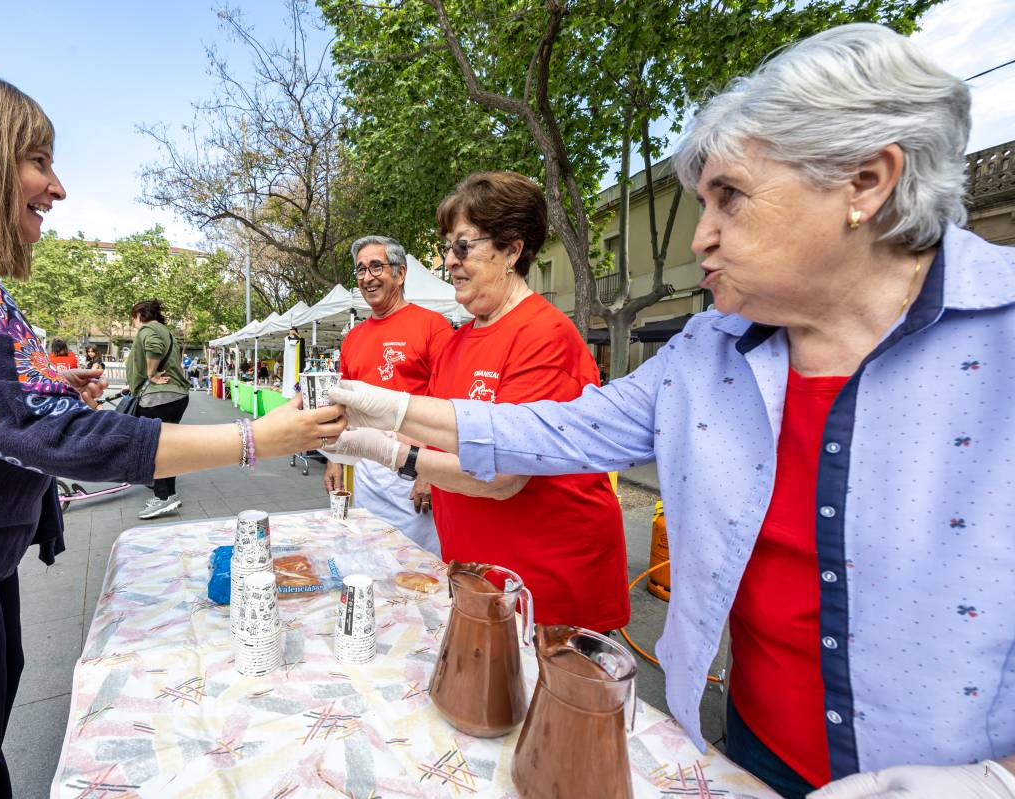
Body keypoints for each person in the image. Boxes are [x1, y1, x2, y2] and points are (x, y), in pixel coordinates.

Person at [327, 25, 1015, 799]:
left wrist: (996, 778)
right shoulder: (708, 346)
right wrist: (385, 413)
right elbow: (558, 429)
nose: (703, 235)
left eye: (731, 197)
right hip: (747, 738)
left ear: (864, 181)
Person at [0, 56, 344, 799]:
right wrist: (262, 437)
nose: (56, 187)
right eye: (37, 161)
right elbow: (62, 435)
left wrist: (39, 384)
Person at [328, 172, 628, 633]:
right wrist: (367, 422)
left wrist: (390, 452)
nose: (450, 262)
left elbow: (504, 477)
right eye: (448, 248)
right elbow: (444, 429)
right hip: (477, 574)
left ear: (512, 248)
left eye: (462, 247)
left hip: (544, 586)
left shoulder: (544, 336)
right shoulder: (459, 340)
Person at [325, 235, 452, 554]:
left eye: (376, 266)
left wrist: (432, 472)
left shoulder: (433, 327)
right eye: (360, 269)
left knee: (418, 570)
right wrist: (335, 459)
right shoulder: (352, 338)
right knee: (371, 556)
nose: (367, 277)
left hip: (414, 472)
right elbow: (342, 406)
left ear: (401, 273)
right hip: (369, 472)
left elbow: (451, 403)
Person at [126, 299, 189, 520]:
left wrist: (151, 374)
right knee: (167, 447)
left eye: (132, 318)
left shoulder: (148, 329)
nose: (133, 323)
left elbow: (154, 347)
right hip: (177, 396)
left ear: (139, 315)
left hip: (158, 398)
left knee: (154, 448)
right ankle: (169, 494)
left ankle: (162, 498)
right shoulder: (165, 330)